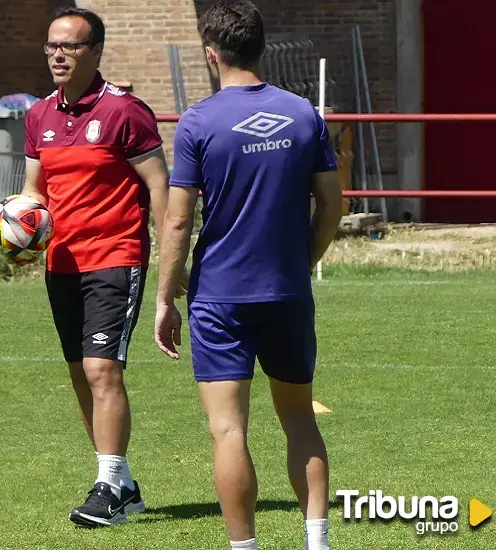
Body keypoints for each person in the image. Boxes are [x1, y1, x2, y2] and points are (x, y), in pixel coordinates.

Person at [153, 1, 342, 549]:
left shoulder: (199, 121)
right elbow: (332, 203)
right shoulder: (303, 113)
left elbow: (178, 219)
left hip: (219, 298)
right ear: (261, 48)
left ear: (212, 56)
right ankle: (317, 541)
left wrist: (166, 298)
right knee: (300, 420)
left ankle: (244, 547)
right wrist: (303, 260)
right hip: (287, 292)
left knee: (229, 430)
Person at [22, 7, 172, 528]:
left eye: (70, 46)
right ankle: (121, 483)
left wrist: (169, 255)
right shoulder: (38, 115)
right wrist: (17, 226)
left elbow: (159, 186)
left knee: (101, 369)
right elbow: (33, 193)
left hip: (116, 254)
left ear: (96, 52)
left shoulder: (125, 112)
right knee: (79, 373)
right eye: (50, 46)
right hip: (61, 261)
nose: (57, 55)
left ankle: (108, 485)